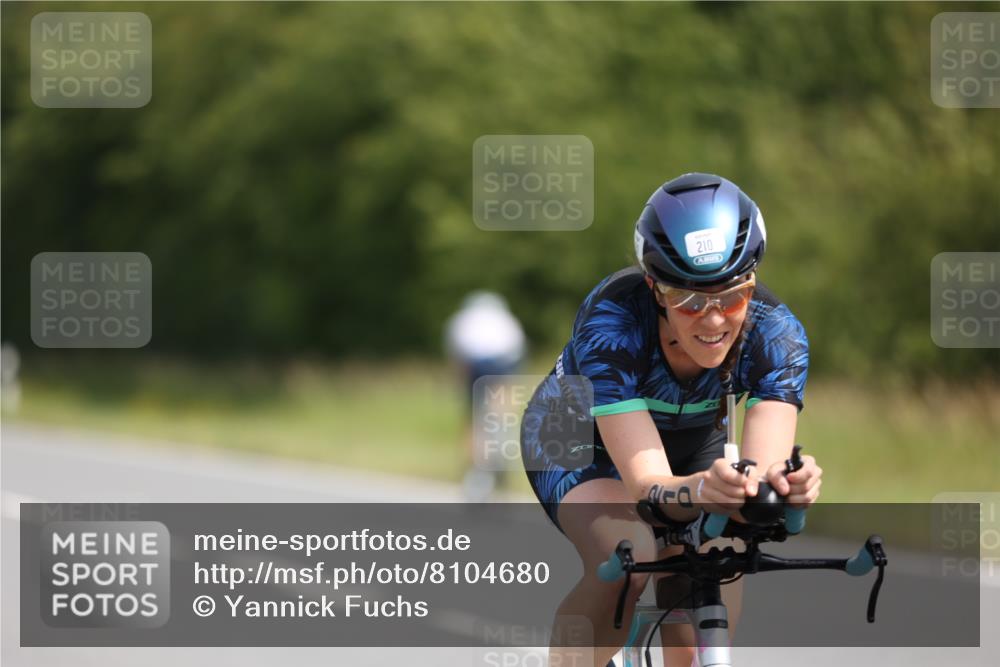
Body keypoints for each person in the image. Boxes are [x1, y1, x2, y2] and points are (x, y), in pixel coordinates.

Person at [520, 173, 823, 666]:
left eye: (732, 296)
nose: (714, 320)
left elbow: (762, 475)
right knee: (628, 554)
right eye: (690, 300)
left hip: (693, 442)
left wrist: (785, 486)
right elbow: (647, 488)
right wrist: (701, 492)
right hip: (575, 436)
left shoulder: (778, 336)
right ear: (655, 289)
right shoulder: (612, 322)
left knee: (712, 561)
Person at [445, 291, 526, 502]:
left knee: (474, 420)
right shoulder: (507, 320)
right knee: (501, 416)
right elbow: (517, 353)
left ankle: (478, 471)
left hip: (476, 364)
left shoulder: (463, 319)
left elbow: (458, 358)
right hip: (504, 364)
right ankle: (501, 454)